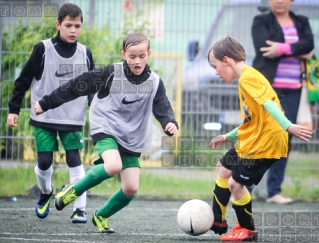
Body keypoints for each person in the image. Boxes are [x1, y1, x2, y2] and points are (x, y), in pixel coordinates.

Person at [33, 33, 179, 233]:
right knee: (113, 166)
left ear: (149, 54)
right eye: (132, 56)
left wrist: (170, 123)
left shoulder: (154, 82)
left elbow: (163, 107)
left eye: (142, 56)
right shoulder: (112, 74)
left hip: (132, 137)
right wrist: (46, 102)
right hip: (106, 127)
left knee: (131, 188)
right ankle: (72, 191)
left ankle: (100, 216)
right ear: (123, 54)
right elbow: (77, 85)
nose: (137, 61)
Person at [207, 36, 311, 242]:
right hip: (254, 137)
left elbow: (269, 105)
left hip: (266, 142)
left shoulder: (248, 78)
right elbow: (253, 120)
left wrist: (288, 126)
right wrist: (228, 136)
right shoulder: (245, 78)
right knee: (224, 168)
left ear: (226, 60)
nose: (215, 72)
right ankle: (218, 219)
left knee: (235, 184)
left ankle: (247, 229)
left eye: (215, 66)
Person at [7, 3, 95, 223]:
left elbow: (92, 87)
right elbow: (23, 80)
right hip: (44, 117)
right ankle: (46, 191)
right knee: (45, 161)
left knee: (75, 160)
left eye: (78, 26)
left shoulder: (85, 53)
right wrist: (13, 109)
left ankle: (80, 209)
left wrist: (97, 113)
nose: (73, 30)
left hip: (73, 118)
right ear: (58, 24)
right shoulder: (43, 49)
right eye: (68, 25)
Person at [251, 0, 314, 204]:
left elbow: (310, 45)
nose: (279, 1)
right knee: (261, 136)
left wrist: (281, 48)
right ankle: (245, 187)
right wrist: (297, 48)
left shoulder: (302, 21)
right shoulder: (260, 20)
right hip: (268, 90)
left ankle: (274, 191)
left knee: (285, 138)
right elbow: (263, 46)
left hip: (295, 90)